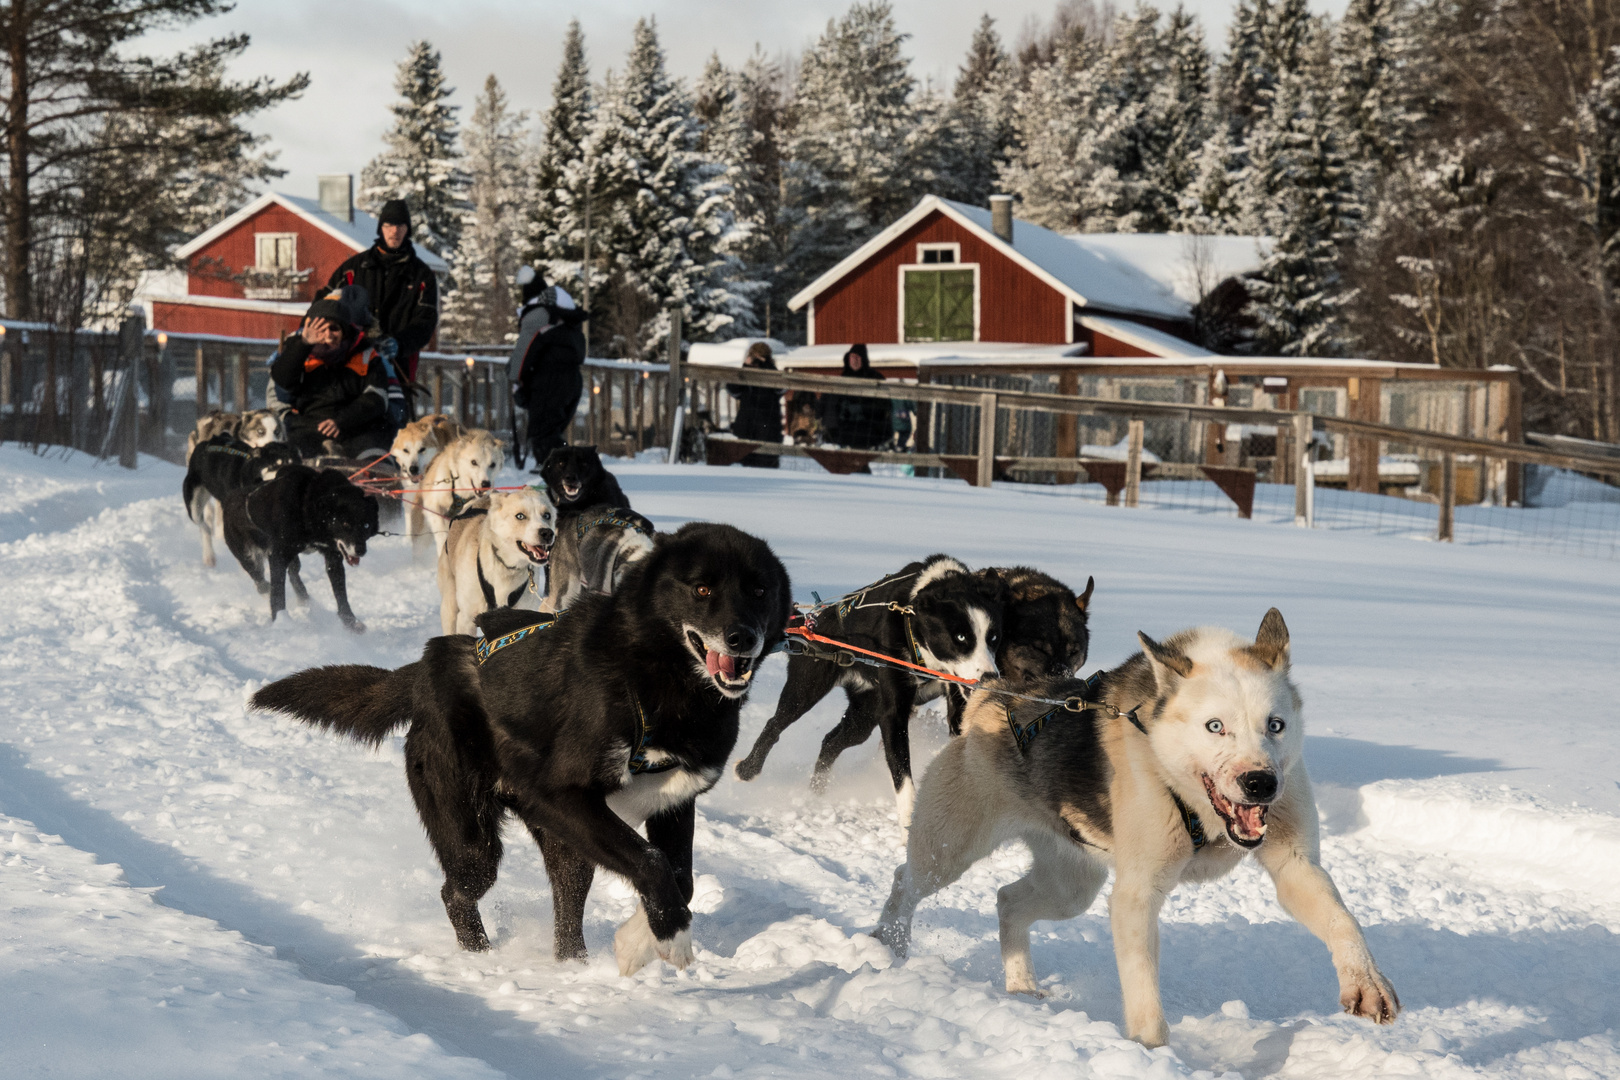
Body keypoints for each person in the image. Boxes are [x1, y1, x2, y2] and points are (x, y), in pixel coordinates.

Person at [326, 199, 440, 418]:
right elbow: (325, 304)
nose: (394, 231)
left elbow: (425, 322)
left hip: (399, 368)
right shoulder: (353, 269)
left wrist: (400, 343)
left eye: (400, 226)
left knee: (396, 426)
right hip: (351, 365)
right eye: (389, 225)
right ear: (381, 228)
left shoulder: (422, 275)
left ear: (408, 229)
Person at [272, 288, 397, 459]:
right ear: (309, 328)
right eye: (321, 328)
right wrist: (303, 345)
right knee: (294, 458)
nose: (328, 335)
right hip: (309, 428)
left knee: (374, 457)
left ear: (345, 332)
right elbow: (282, 381)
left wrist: (341, 421)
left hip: (357, 428)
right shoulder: (296, 353)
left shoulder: (367, 355)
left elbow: (376, 397)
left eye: (334, 328)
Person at [510, 274, 589, 468]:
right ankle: (560, 469)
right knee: (552, 429)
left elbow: (523, 354)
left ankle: (562, 470)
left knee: (543, 431)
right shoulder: (571, 325)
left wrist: (514, 377)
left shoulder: (538, 318)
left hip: (549, 380)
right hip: (573, 380)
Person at [819, 343, 892, 450]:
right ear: (848, 358)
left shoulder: (875, 378)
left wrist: (862, 408)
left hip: (869, 430)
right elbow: (832, 405)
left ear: (864, 359)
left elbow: (884, 405)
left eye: (858, 357)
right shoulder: (842, 379)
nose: (855, 360)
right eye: (852, 357)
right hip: (843, 431)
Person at [726, 341, 784, 468]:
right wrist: (746, 367)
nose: (757, 362)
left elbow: (781, 388)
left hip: (768, 424)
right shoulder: (746, 372)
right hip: (747, 423)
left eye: (760, 357)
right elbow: (732, 389)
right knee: (744, 460)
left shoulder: (773, 372)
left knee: (767, 461)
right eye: (754, 357)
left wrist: (767, 365)